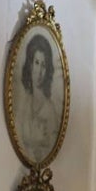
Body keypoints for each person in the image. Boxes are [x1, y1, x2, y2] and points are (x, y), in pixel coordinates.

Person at [13, 33, 60, 162]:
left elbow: (49, 153)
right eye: (37, 63)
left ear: (47, 70)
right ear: (30, 65)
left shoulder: (50, 111)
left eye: (44, 65)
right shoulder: (24, 104)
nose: (39, 71)